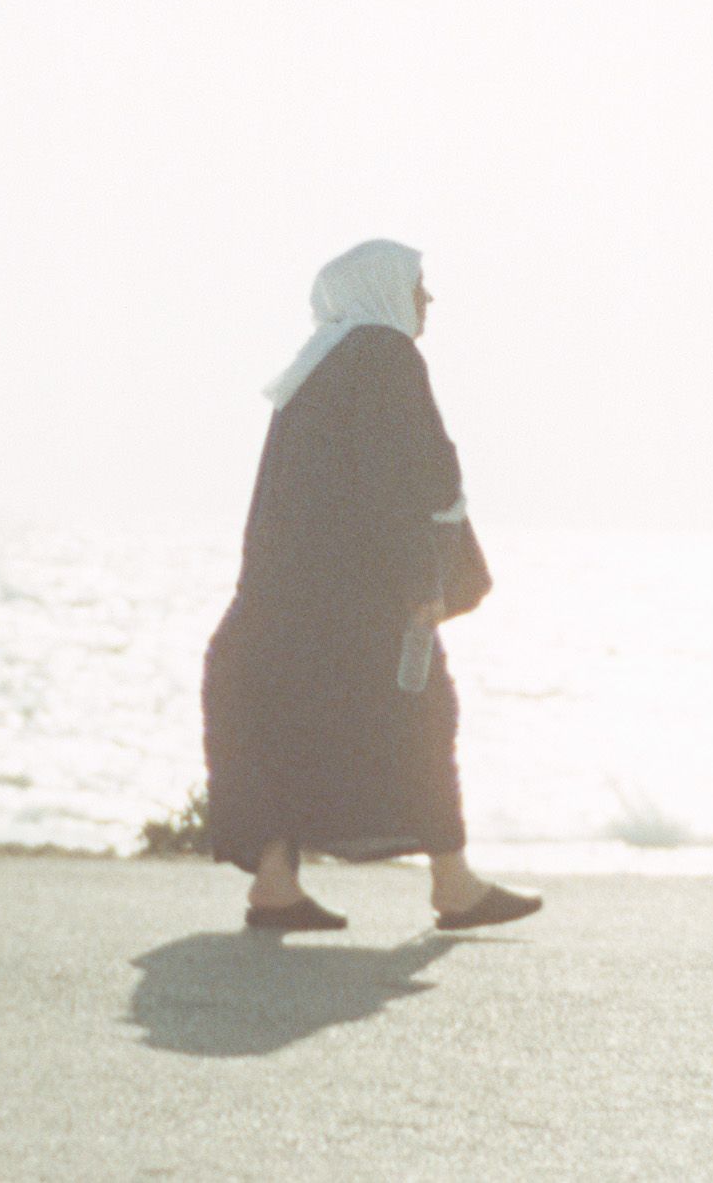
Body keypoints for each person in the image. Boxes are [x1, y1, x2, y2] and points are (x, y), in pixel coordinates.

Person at [200, 239, 541, 933]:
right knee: (426, 717)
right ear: (384, 290)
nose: (428, 298)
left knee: (287, 729)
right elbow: (406, 477)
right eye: (418, 284)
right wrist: (424, 578)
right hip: (360, 599)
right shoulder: (385, 355)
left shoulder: (317, 363)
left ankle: (275, 886)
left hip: (294, 599)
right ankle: (453, 885)